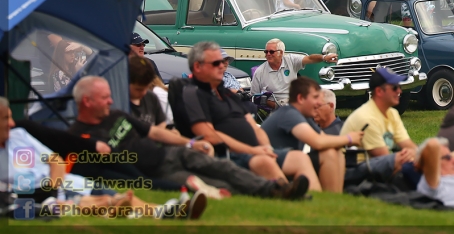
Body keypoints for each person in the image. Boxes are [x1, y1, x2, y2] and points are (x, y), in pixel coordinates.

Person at [68, 76, 309, 200]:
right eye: (104, 98)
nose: (110, 101)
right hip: (157, 171)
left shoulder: (116, 115)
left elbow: (153, 132)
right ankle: (274, 194)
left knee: (222, 167)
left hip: (170, 152)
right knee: (216, 186)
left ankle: (277, 188)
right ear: (87, 101)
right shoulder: (79, 137)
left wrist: (190, 143)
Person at [2, 97, 207, 221]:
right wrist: (49, 196)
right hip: (40, 199)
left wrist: (54, 187)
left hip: (60, 184)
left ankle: (165, 211)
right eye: (5, 119)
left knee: (125, 198)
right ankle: (165, 212)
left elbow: (54, 160)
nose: (12, 123)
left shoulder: (18, 135)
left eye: (11, 116)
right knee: (109, 201)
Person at [176, 42, 322, 190]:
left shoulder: (227, 94)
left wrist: (266, 148)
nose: (222, 66)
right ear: (197, 67)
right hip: (228, 156)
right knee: (264, 162)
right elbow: (210, 135)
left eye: (223, 62)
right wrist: (254, 151)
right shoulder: (192, 93)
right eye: (216, 63)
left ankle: (321, 204)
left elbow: (256, 128)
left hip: (256, 151)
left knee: (300, 157)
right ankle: (284, 192)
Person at [261, 78, 363, 193]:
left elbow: (324, 138)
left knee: (336, 152)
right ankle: (327, 201)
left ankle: (335, 200)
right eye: (315, 97)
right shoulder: (289, 114)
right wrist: (349, 138)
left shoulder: (304, 116)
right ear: (300, 99)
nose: (319, 102)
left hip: (287, 162)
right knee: (328, 154)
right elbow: (317, 142)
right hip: (269, 165)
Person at [339, 67, 419, 183]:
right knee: (408, 165)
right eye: (395, 88)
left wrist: (414, 154)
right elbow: (386, 160)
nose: (400, 91)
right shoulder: (366, 117)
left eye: (400, 87)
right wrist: (412, 156)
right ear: (379, 91)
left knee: (429, 153)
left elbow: (409, 146)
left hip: (376, 166)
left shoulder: (392, 113)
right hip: (356, 173)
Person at [251, 39, 337, 107]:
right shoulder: (260, 72)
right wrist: (270, 103)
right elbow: (254, 96)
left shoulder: (291, 60)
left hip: (295, 99)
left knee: (319, 101)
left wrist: (324, 57)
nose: (268, 54)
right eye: (266, 52)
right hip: (278, 104)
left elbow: (310, 58)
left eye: (271, 52)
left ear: (281, 53)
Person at [128, 55, 167, 127]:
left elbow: (161, 126)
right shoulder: (119, 104)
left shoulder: (151, 97)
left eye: (146, 88)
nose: (144, 93)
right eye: (138, 89)